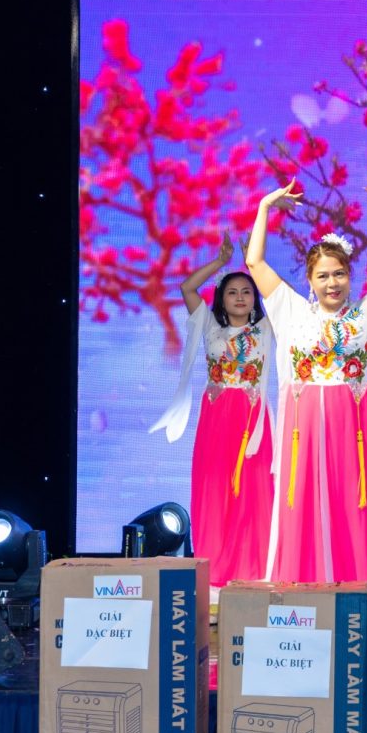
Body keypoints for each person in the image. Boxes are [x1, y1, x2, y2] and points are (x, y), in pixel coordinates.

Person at [245, 176, 367, 644]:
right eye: (322, 275)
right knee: (299, 514)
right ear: (310, 280)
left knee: (351, 516)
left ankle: (355, 623)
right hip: (302, 434)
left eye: (338, 274)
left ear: (349, 276)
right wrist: (265, 207)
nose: (332, 283)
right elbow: (254, 262)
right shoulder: (291, 311)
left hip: (350, 432)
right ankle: (300, 621)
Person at [151, 233, 273, 590]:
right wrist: (220, 262)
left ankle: (254, 570)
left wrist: (254, 264)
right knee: (215, 489)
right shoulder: (209, 324)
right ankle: (216, 572)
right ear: (222, 297)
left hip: (252, 418)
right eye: (232, 292)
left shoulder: (266, 328)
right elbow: (188, 288)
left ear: (255, 299)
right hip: (217, 418)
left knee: (253, 491)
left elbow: (279, 298)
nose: (240, 297)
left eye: (247, 291)